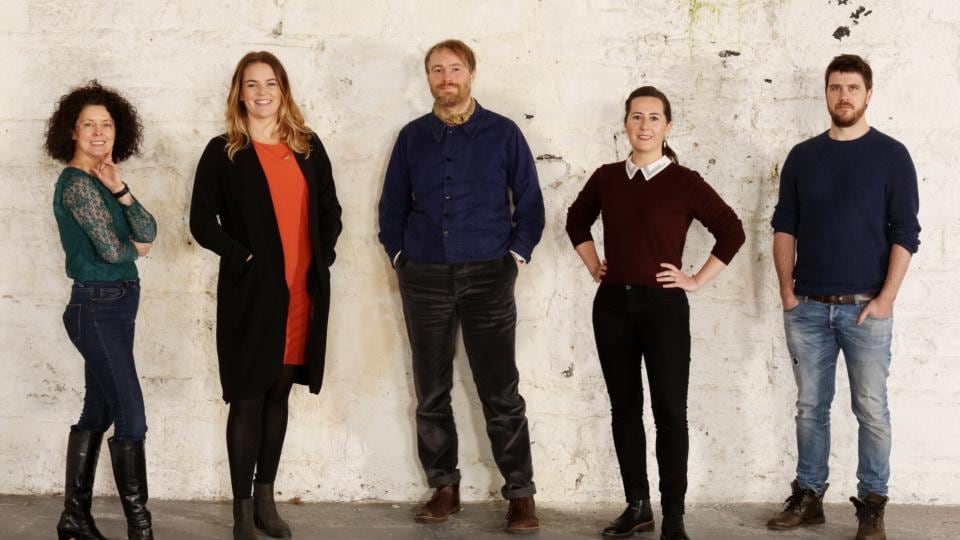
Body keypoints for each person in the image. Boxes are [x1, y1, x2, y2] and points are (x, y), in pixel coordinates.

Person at [378, 39, 545, 534]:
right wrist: (400, 255)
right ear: (427, 78)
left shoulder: (504, 133)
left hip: (490, 276)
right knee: (431, 390)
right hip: (424, 275)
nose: (446, 78)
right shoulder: (412, 137)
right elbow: (391, 207)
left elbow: (531, 203)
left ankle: (520, 493)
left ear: (471, 74)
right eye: (436, 71)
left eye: (454, 69)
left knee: (501, 390)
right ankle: (444, 487)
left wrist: (514, 255)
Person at [565, 86, 745, 540]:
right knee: (624, 409)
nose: (644, 125)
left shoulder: (684, 182)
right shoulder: (607, 177)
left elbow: (732, 230)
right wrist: (593, 264)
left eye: (654, 118)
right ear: (625, 123)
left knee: (669, 412)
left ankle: (675, 516)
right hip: (612, 308)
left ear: (668, 127)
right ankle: (637, 506)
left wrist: (696, 280)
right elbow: (575, 220)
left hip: (663, 309)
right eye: (636, 117)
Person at [766, 54, 920, 540]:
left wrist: (887, 298)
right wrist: (788, 292)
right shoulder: (803, 157)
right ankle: (809, 496)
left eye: (853, 88)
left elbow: (906, 232)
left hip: (866, 310)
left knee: (871, 409)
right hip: (808, 307)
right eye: (835, 88)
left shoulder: (892, 156)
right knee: (810, 406)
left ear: (868, 94)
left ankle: (872, 504)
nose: (844, 96)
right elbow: (783, 226)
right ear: (826, 93)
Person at [190, 51, 342, 540]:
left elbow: (330, 212)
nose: (261, 93)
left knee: (279, 395)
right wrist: (244, 260)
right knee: (248, 397)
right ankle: (239, 513)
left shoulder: (308, 147)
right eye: (251, 84)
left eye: (270, 83)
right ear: (239, 92)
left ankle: (265, 501)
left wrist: (322, 260)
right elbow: (200, 221)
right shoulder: (224, 151)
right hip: (251, 294)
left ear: (283, 90)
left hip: (302, 292)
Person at [46, 81, 157, 540]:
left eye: (106, 124)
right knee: (131, 413)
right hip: (95, 305)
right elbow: (116, 249)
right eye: (88, 124)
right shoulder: (74, 184)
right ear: (71, 131)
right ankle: (140, 528)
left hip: (117, 304)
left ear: (118, 132)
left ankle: (74, 517)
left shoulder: (103, 180)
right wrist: (138, 245)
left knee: (98, 407)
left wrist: (122, 189)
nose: (98, 132)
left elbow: (148, 229)